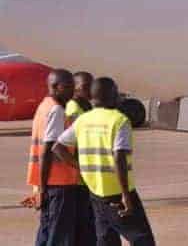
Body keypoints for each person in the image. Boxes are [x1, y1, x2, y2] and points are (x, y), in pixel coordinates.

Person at [54, 77, 156, 246]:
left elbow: (58, 147)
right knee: (142, 238)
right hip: (117, 191)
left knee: (106, 238)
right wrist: (125, 195)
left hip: (95, 190)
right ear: (112, 95)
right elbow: (119, 157)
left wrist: (80, 168)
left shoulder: (83, 120)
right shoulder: (119, 120)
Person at [24, 69, 96, 245]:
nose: (73, 91)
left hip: (50, 182)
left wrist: (40, 187)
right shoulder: (56, 109)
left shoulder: (44, 106)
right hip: (60, 183)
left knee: (47, 231)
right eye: (68, 86)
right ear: (55, 87)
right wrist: (42, 189)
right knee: (58, 235)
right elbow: (50, 149)